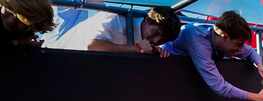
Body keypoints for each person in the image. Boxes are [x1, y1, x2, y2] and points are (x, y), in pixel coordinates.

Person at [158, 11, 263, 101]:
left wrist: (259, 65)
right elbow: (219, 86)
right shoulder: (197, 40)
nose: (240, 49)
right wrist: (256, 97)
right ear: (224, 36)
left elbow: (250, 52)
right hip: (165, 74)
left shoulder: (223, 39)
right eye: (238, 44)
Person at [44, 6, 180, 54]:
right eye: (156, 33)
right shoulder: (114, 19)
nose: (155, 40)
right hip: (61, 52)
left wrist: (156, 51)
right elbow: (92, 46)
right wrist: (137, 48)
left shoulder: (148, 35)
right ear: (147, 20)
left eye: (162, 40)